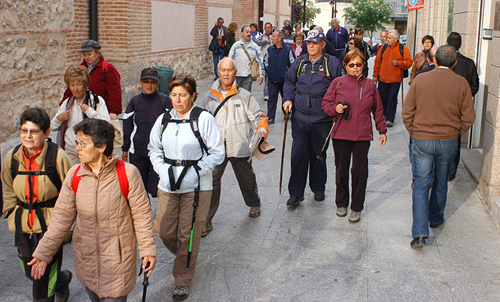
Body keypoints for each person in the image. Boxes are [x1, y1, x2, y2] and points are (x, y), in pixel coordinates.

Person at [29, 118, 157, 301]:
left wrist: (148, 250)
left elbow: (142, 216)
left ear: (102, 146)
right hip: (87, 260)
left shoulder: (128, 173)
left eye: (83, 143)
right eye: (77, 142)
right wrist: (43, 253)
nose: (77, 148)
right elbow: (60, 220)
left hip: (117, 262)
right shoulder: (74, 175)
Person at [149, 75, 225, 301]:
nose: (177, 100)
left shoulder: (203, 119)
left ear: (193, 96)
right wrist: (162, 170)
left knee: (188, 234)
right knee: (163, 230)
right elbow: (153, 148)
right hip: (168, 184)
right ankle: (186, 256)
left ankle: (182, 279)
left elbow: (217, 151)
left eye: (183, 95)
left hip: (197, 188)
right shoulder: (163, 120)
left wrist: (197, 170)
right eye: (174, 95)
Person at [402, 45, 475, 248]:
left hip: (422, 138)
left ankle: (419, 233)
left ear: (434, 60)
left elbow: (407, 111)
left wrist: (415, 132)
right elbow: (469, 117)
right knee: (441, 181)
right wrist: (455, 133)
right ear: (455, 63)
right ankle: (435, 218)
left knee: (421, 183)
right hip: (448, 140)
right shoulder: (461, 83)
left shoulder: (421, 80)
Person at [1, 108, 73, 302]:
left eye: (34, 131)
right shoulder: (12, 157)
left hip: (50, 226)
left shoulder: (58, 157)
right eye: (24, 131)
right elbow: (8, 187)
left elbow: (72, 192)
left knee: (42, 275)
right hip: (23, 223)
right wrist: (9, 212)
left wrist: (64, 224)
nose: (28, 136)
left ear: (47, 133)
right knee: (30, 269)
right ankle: (62, 280)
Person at [200, 58, 269, 236]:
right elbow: (202, 122)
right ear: (218, 71)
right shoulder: (210, 97)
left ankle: (254, 203)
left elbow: (259, 115)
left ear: (235, 72)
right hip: (217, 148)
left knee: (247, 179)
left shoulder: (244, 95)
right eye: (223, 70)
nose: (226, 73)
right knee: (211, 182)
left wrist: (262, 129)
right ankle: (206, 220)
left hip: (239, 145)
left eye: (229, 70)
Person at [322, 49, 387, 222]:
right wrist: (335, 108)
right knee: (341, 169)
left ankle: (356, 206)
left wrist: (382, 130)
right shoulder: (337, 82)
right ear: (345, 66)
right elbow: (326, 105)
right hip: (341, 134)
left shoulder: (370, 85)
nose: (355, 68)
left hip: (362, 135)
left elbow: (378, 109)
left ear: (363, 65)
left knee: (360, 171)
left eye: (359, 64)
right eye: (351, 65)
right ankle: (341, 203)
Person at [282, 30, 343, 207]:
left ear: (323, 45)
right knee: (298, 154)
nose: (311, 46)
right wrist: (287, 99)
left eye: (315, 43)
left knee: (318, 154)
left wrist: (336, 107)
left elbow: (341, 86)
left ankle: (318, 187)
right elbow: (289, 81)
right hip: (299, 117)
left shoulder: (332, 63)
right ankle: (296, 193)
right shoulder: (300, 62)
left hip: (322, 119)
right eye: (309, 42)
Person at [122, 68, 172, 198]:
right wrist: (125, 148)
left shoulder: (165, 101)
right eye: (146, 82)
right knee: (139, 188)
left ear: (157, 83)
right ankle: (143, 216)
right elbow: (127, 125)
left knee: (158, 188)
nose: (149, 85)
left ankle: (161, 216)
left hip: (158, 151)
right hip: (138, 151)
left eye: (152, 82)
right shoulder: (134, 101)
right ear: (140, 83)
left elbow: (173, 125)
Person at [52, 65, 111, 165]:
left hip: (92, 152)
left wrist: (90, 112)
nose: (75, 89)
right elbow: (52, 127)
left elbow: (107, 125)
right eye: (72, 85)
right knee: (74, 178)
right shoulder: (67, 104)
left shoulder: (96, 101)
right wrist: (59, 118)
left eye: (79, 84)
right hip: (71, 151)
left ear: (85, 84)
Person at [447, 32, 480, 181]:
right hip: (460, 107)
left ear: (447, 44)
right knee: (456, 137)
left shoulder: (443, 61)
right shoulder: (469, 63)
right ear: (460, 45)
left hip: (444, 105)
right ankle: (451, 171)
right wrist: (465, 97)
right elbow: (475, 86)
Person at [62, 40, 122, 120]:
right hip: (81, 110)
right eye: (85, 54)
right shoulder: (80, 69)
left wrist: (114, 111)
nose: (87, 57)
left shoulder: (108, 69)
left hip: (100, 110)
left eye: (89, 54)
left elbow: (115, 92)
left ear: (97, 53)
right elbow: (71, 89)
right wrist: (63, 107)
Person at [372, 29, 413, 127]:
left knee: (392, 98)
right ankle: (383, 116)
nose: (387, 39)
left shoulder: (403, 49)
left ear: (396, 39)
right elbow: (377, 62)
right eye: (387, 37)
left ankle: (390, 118)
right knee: (382, 98)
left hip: (395, 80)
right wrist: (375, 75)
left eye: (389, 38)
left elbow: (409, 62)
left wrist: (400, 63)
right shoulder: (384, 48)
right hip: (382, 79)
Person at [264, 31, 295, 124]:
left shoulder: (288, 49)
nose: (271, 38)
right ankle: (270, 117)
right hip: (272, 79)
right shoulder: (269, 49)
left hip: (285, 80)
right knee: (271, 99)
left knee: (285, 97)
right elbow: (265, 61)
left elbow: (293, 63)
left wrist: (289, 75)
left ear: (279, 38)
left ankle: (286, 113)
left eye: (273, 36)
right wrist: (268, 70)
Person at [228, 26, 265, 92]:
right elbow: (230, 59)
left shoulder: (254, 46)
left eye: (250, 32)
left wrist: (261, 75)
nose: (249, 34)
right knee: (234, 95)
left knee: (246, 96)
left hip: (248, 76)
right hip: (236, 76)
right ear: (241, 33)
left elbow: (260, 60)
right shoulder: (236, 45)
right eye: (247, 32)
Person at [255, 22, 274, 101]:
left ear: (271, 28)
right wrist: (266, 42)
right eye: (266, 27)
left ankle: (269, 92)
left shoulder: (274, 36)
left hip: (272, 59)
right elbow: (256, 42)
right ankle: (266, 93)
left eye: (269, 27)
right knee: (266, 76)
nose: (267, 29)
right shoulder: (262, 37)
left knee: (269, 77)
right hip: (264, 59)